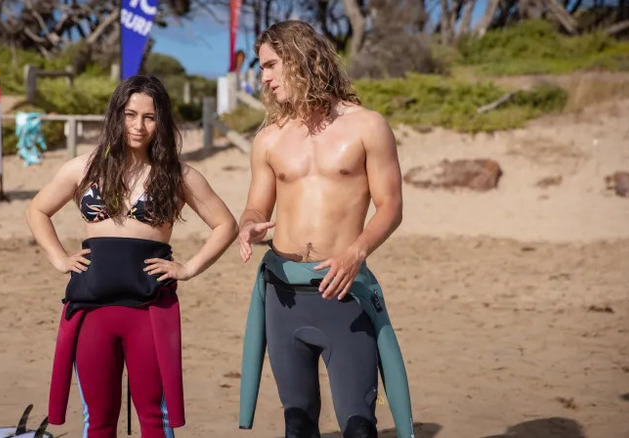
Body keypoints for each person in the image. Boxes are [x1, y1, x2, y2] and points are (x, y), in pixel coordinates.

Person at [25, 75, 238, 438]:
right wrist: (60, 258)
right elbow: (37, 211)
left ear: (162, 121)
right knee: (99, 419)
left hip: (150, 310)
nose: (138, 126)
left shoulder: (178, 174)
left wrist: (188, 268)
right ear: (116, 115)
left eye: (150, 117)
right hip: (91, 308)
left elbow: (225, 225)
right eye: (130, 114)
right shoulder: (84, 167)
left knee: (156, 418)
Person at [236, 21, 414, 438]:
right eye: (262, 68)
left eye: (271, 65)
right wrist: (249, 227)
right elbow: (255, 207)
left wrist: (357, 251)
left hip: (342, 290)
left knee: (357, 425)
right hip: (284, 296)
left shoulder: (367, 126)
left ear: (300, 58)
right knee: (296, 423)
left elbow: (391, 207)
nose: (264, 77)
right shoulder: (268, 139)